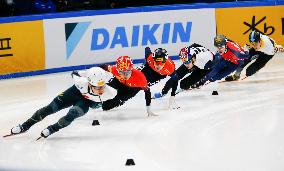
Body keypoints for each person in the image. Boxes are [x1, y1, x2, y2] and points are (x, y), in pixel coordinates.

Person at [7, 67, 117, 139]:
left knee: (72, 114)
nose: (100, 90)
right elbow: (74, 72)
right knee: (49, 108)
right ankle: (25, 126)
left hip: (86, 102)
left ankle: (52, 129)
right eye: (97, 87)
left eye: (102, 86)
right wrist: (86, 73)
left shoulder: (110, 93)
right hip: (75, 92)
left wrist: (96, 104)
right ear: (89, 83)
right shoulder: (80, 81)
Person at [153, 43, 217, 99]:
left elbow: (215, 63)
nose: (185, 65)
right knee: (176, 76)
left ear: (193, 58)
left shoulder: (206, 61)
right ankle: (163, 92)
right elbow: (195, 45)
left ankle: (187, 86)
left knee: (184, 84)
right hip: (195, 61)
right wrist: (187, 62)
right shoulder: (189, 56)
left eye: (187, 62)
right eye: (184, 62)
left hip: (204, 68)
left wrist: (204, 79)